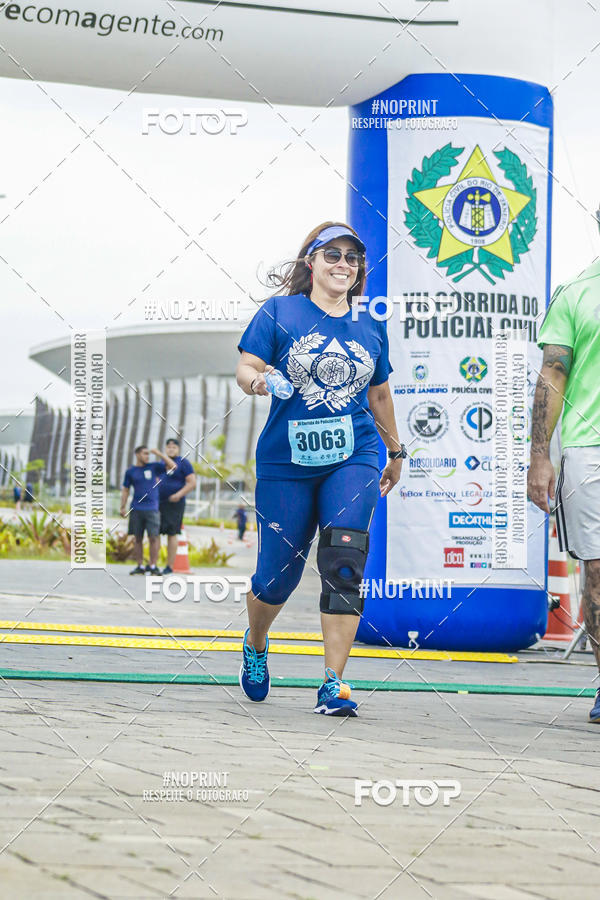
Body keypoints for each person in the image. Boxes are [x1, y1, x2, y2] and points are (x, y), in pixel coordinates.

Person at [235, 221, 404, 716]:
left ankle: (334, 683)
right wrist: (260, 383)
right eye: (332, 255)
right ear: (310, 263)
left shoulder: (371, 325)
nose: (343, 265)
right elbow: (246, 366)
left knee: (344, 561)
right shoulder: (280, 312)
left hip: (354, 453)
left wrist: (394, 451)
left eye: (352, 258)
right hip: (287, 461)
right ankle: (257, 642)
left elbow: (378, 394)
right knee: (276, 577)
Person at [528, 263, 600, 724]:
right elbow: (553, 372)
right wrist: (539, 455)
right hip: (589, 447)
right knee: (597, 569)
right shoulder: (576, 293)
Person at [120, 445, 175, 575]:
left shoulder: (154, 467)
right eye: (145, 454)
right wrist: (122, 506)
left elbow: (173, 466)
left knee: (153, 537)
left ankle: (152, 565)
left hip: (152, 509)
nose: (147, 456)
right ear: (137, 454)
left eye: (148, 454)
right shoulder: (131, 471)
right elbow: (126, 489)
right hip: (136, 508)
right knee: (137, 538)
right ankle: (139, 565)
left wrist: (160, 454)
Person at [157, 437, 196, 575]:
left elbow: (192, 483)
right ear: (165, 449)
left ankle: (169, 566)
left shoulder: (183, 463)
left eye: (174, 447)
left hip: (175, 504)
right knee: (154, 532)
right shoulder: (161, 463)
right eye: (168, 447)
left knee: (171, 533)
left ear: (178, 449)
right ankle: (153, 565)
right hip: (158, 503)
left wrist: (178, 495)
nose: (171, 449)